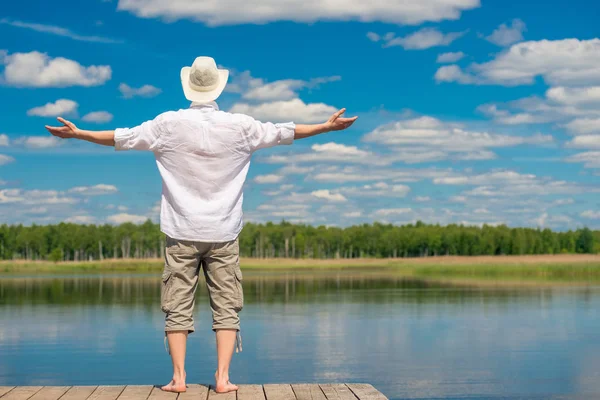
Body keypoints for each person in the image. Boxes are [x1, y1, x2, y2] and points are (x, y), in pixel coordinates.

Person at [45, 56, 357, 394]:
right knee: (227, 304)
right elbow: (287, 132)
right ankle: (222, 379)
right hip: (224, 232)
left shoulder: (166, 124)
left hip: (181, 232)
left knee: (177, 304)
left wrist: (80, 134)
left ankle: (178, 379)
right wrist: (326, 127)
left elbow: (120, 137)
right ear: (217, 86)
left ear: (189, 86)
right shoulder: (241, 125)